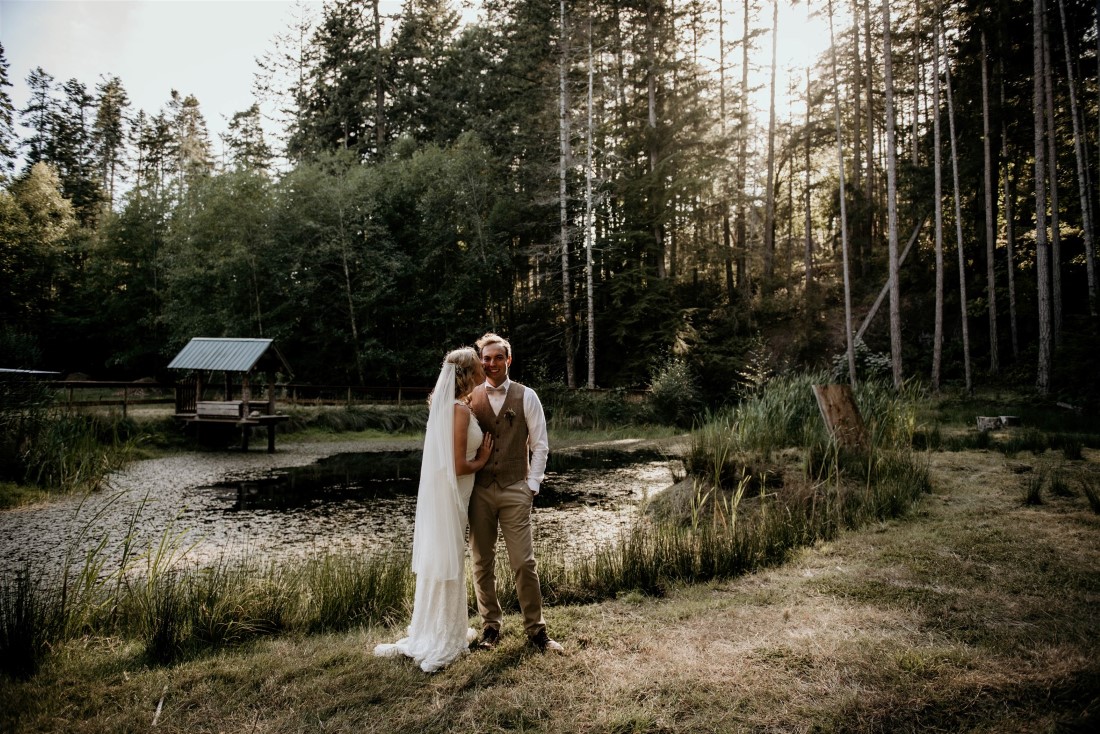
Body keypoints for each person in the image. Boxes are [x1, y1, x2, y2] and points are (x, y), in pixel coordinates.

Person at [374, 347, 494, 672]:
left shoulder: (454, 407)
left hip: (452, 496)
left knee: (446, 558)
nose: (485, 366)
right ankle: (443, 636)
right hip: (453, 497)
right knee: (450, 559)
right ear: (469, 373)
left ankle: (442, 628)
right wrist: (482, 459)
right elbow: (457, 465)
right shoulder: (457, 411)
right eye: (479, 363)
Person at [467, 332, 564, 653]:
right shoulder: (470, 397)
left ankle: (537, 631)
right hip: (478, 492)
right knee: (482, 562)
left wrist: (532, 484)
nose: (491, 363)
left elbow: (540, 445)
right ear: (481, 361)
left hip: (515, 489)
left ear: (508, 360)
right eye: (486, 358)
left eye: (497, 358)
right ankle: (490, 627)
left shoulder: (527, 396)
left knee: (523, 562)